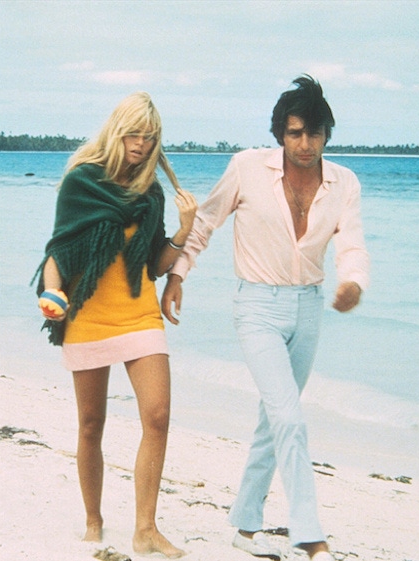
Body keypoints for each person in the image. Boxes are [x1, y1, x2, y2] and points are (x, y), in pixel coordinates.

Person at [161, 75, 370, 561]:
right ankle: (308, 534)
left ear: (326, 134)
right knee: (289, 419)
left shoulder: (344, 182)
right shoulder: (246, 168)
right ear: (281, 132)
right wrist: (178, 276)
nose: (305, 144)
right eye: (295, 133)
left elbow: (353, 242)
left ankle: (245, 524)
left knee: (273, 420)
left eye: (314, 134)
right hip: (256, 307)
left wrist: (353, 281)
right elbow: (206, 221)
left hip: (309, 307)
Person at [34, 92, 197, 558]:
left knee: (159, 416)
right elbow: (58, 251)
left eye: (149, 137)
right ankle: (93, 520)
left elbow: (155, 264)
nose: (141, 145)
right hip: (87, 315)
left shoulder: (150, 192)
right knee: (91, 424)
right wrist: (53, 293)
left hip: (138, 310)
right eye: (133, 134)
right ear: (116, 130)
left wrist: (184, 231)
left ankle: (145, 528)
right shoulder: (81, 182)